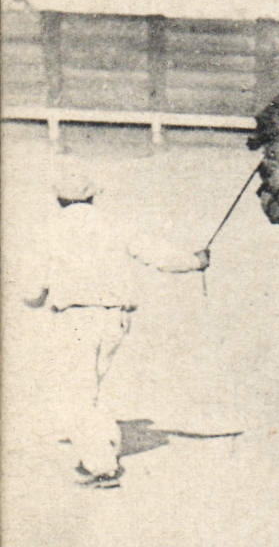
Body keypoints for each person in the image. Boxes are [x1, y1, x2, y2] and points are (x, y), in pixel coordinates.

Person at [22, 170, 211, 488]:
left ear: (59, 199)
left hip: (75, 320)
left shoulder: (49, 229)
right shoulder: (115, 224)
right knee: (91, 391)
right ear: (93, 196)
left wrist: (35, 300)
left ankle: (102, 467)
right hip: (116, 320)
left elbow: (32, 293)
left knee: (76, 395)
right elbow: (158, 256)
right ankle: (98, 454)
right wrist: (195, 261)